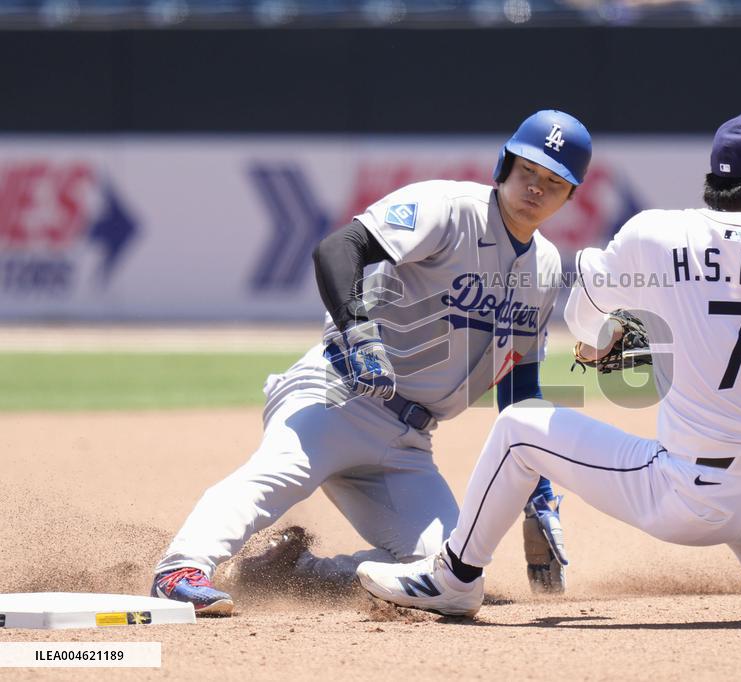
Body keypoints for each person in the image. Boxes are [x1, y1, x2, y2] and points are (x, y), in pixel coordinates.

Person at [355, 110, 741, 627]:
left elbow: (584, 314)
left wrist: (601, 340)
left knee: (519, 427)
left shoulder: (657, 233)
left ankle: (454, 579)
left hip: (686, 493)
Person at [150, 109, 592, 615]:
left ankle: (297, 574)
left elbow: (519, 381)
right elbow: (339, 248)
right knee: (280, 473)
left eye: (554, 183)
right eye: (528, 172)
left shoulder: (546, 265)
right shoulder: (448, 208)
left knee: (448, 574)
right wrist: (359, 332)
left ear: (569, 197)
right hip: (338, 392)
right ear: (504, 165)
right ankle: (180, 569)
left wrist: (537, 486)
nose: (536, 188)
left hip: (408, 443)